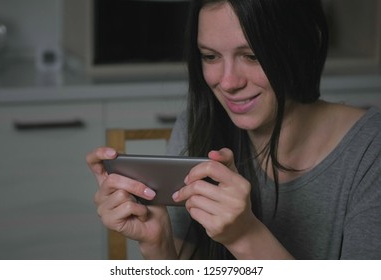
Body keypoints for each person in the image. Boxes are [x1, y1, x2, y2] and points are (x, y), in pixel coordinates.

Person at [86, 0, 381, 259]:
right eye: (210, 56)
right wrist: (157, 245)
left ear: (301, 47)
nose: (227, 83)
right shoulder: (198, 123)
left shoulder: (371, 151)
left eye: (251, 56)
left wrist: (244, 236)